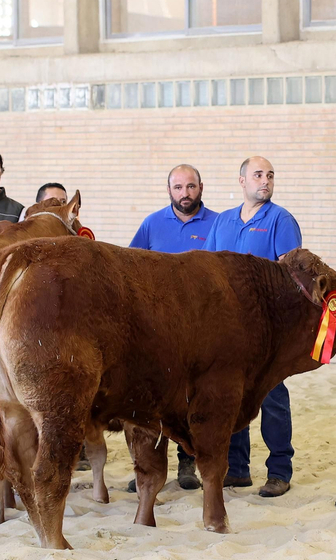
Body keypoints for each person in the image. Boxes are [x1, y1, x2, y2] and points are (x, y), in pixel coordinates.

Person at [203, 156, 302, 498]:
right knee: (232, 395)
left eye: (270, 175)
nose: (266, 180)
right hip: (228, 328)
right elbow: (208, 269)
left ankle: (279, 471)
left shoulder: (281, 220)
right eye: (258, 175)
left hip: (266, 330)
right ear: (242, 181)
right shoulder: (224, 221)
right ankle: (238, 469)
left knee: (272, 397)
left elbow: (293, 279)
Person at [125, 164, 220, 491]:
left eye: (190, 186)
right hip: (158, 329)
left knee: (196, 398)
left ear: (201, 187)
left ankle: (188, 464)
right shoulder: (151, 224)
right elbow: (130, 268)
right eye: (178, 187)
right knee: (156, 397)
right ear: (169, 190)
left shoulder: (218, 224)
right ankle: (146, 466)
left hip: (201, 326)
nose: (185, 193)